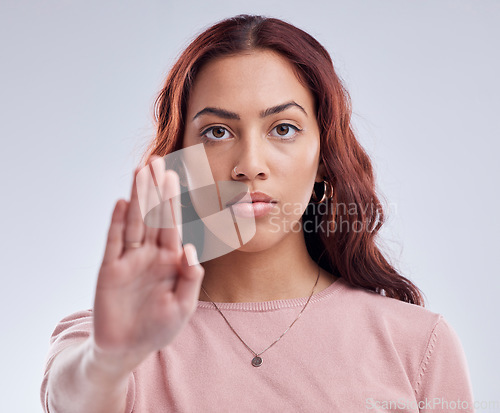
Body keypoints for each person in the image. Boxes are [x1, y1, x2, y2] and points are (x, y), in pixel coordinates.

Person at [40, 14, 475, 413]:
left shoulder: (418, 344)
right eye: (217, 131)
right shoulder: (112, 337)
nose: (249, 163)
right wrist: (108, 359)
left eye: (283, 128)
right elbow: (71, 396)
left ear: (324, 157)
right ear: (179, 159)